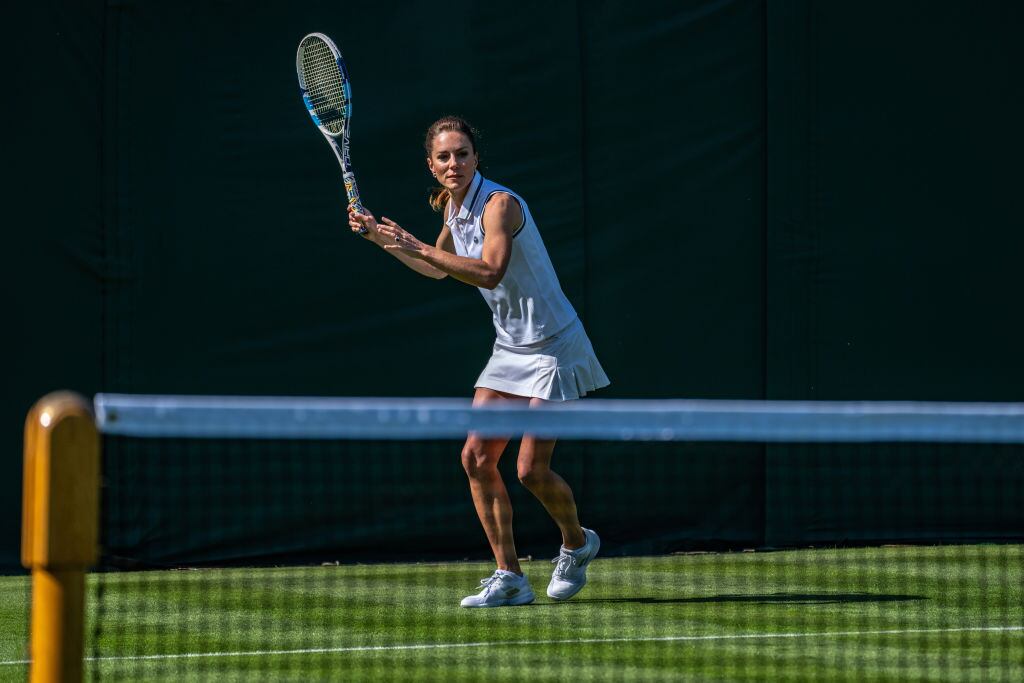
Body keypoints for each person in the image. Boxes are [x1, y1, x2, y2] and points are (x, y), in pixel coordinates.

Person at [348, 115, 610, 608]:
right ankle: (510, 577)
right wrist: (379, 238)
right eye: (444, 157)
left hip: (554, 345)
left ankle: (577, 543)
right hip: (510, 347)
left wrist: (417, 244)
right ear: (431, 165)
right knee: (475, 458)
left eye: (462, 154)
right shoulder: (453, 208)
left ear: (476, 158)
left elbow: (489, 272)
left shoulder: (499, 205)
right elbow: (435, 269)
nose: (454, 164)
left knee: (531, 470)